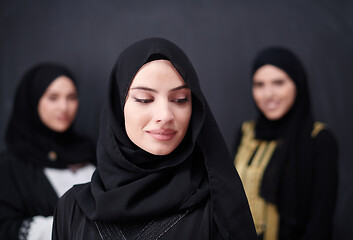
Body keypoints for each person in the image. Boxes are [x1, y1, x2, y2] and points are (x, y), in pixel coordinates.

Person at [52, 37, 257, 240]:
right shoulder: (71, 210)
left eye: (180, 100)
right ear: (117, 108)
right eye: (145, 99)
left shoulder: (218, 207)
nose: (165, 115)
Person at [233, 47, 338, 240]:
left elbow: (320, 223)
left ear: (297, 84)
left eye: (278, 83)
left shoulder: (319, 140)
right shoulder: (246, 133)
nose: (268, 94)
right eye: (259, 84)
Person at [0, 63, 96, 240]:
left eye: (71, 97)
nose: (64, 107)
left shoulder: (91, 151)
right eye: (53, 98)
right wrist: (70, 226)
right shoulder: (11, 165)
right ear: (33, 100)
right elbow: (5, 228)